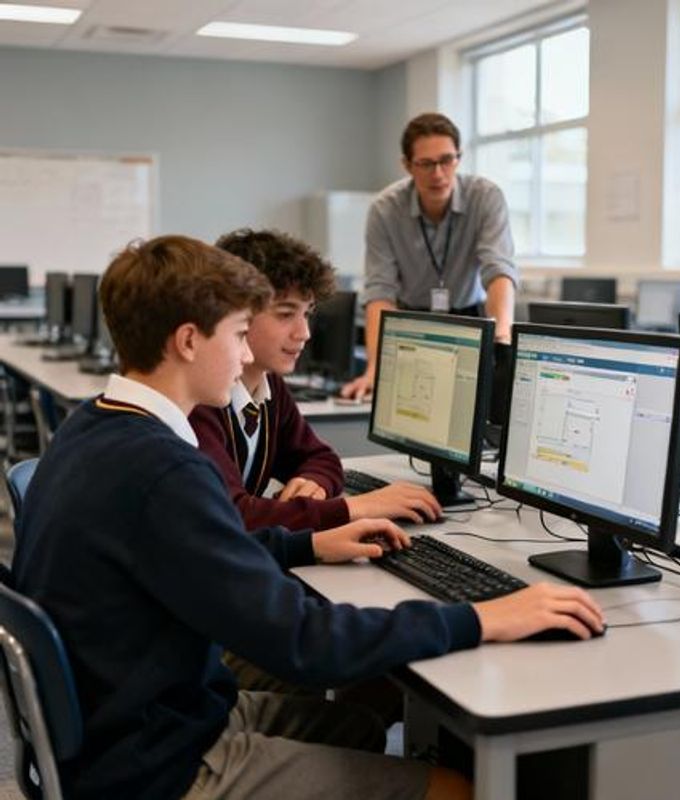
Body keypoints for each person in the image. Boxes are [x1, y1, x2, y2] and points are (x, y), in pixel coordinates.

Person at [12, 235, 605, 800]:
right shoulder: (165, 470)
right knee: (461, 790)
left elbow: (195, 555)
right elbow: (303, 641)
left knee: (360, 726)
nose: (249, 355)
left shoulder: (94, 426)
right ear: (188, 341)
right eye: (239, 334)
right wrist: (481, 617)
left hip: (136, 716)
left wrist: (308, 546)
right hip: (157, 764)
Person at [190, 227, 442, 533]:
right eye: (285, 314)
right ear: (236, 311)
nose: (304, 333)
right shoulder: (201, 398)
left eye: (307, 314)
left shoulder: (269, 388)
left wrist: (315, 482)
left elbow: (322, 458)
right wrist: (355, 508)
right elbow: (234, 516)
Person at [342, 112, 517, 400]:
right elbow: (380, 292)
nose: (438, 174)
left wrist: (502, 336)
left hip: (470, 317)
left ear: (458, 157)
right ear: (407, 165)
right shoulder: (385, 209)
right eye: (426, 164)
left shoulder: (485, 197)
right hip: (411, 321)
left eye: (446, 160)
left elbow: (498, 270)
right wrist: (376, 368)